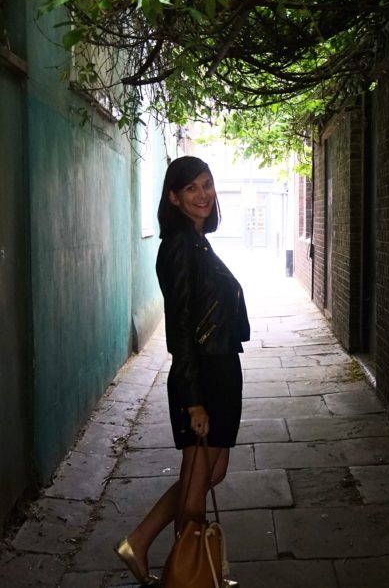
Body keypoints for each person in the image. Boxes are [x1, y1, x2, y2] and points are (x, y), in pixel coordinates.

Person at [114, 156, 250, 586]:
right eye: (191, 188)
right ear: (173, 197)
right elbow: (180, 326)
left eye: (207, 184)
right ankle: (186, 577)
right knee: (195, 486)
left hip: (220, 368)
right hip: (204, 374)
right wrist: (193, 400)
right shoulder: (178, 245)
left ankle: (141, 542)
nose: (203, 194)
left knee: (210, 473)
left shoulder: (196, 242)